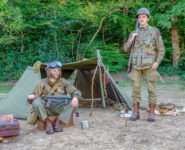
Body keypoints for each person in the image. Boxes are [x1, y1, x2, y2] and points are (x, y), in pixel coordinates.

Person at [124, 8, 165, 122]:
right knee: (135, 90)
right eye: (139, 17)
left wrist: (157, 62)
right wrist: (131, 39)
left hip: (149, 65)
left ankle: (151, 113)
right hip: (136, 66)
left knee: (151, 90)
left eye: (144, 16)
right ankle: (136, 113)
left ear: (148, 18)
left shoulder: (154, 31)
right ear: (138, 19)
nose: (141, 19)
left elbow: (161, 49)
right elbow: (126, 49)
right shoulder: (134, 33)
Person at [28, 61, 81, 134]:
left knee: (75, 103)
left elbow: (75, 91)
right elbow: (31, 99)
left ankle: (58, 121)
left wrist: (75, 98)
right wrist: (31, 97)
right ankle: (48, 123)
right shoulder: (41, 83)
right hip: (47, 109)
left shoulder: (63, 82)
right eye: (54, 70)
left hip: (60, 108)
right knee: (36, 102)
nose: (57, 72)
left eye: (58, 70)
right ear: (49, 71)